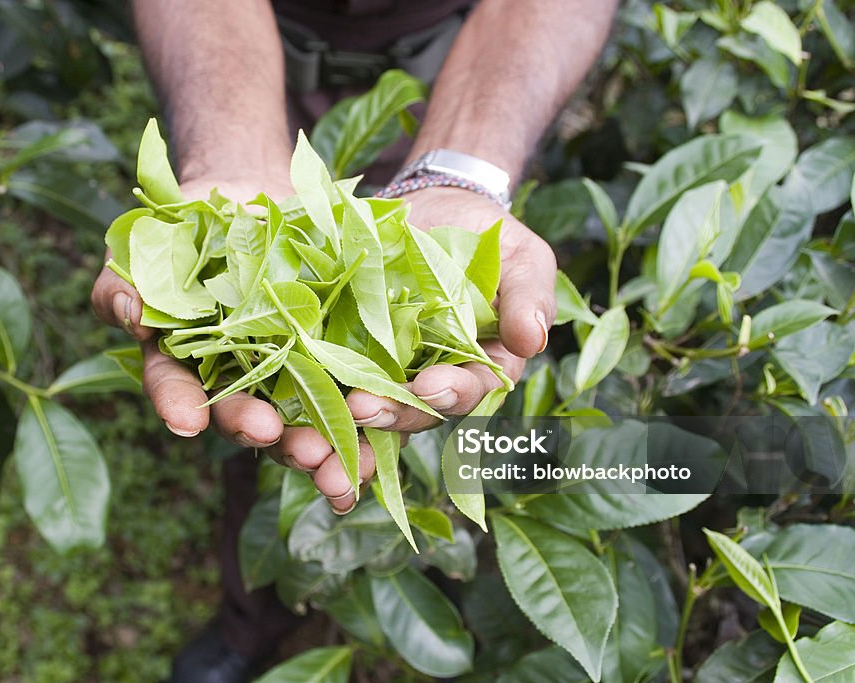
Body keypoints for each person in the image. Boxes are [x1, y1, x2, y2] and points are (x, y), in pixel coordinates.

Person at [91, 1, 618, 681]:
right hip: (245, 60)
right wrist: (231, 151)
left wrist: (462, 172)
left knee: (449, 385)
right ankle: (251, 617)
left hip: (469, 72)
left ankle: (442, 579)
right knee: (260, 418)